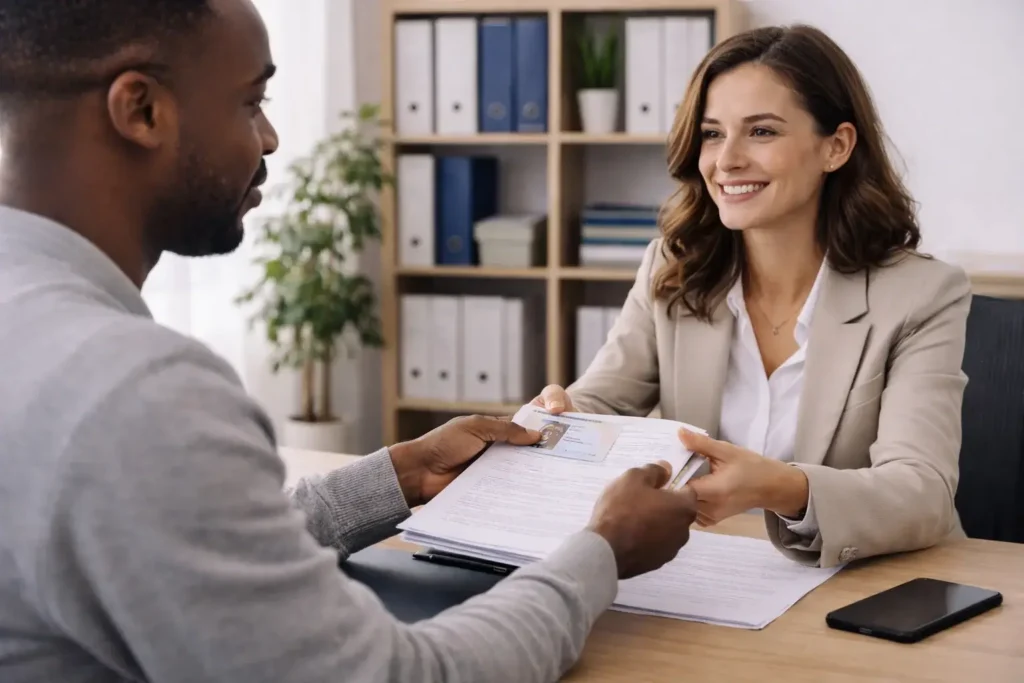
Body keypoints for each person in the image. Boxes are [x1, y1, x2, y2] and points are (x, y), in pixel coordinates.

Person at [0, 1, 700, 682]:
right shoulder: (134, 389)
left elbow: (184, 545)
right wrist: (602, 549)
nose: (270, 138)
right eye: (250, 103)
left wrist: (401, 472)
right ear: (142, 110)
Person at [536, 24, 972, 569]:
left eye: (761, 132)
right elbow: (604, 400)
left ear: (836, 146)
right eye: (713, 134)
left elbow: (922, 492)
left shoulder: (921, 294)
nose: (727, 161)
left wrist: (784, 488)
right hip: (710, 572)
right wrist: (563, 417)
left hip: (870, 581)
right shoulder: (673, 270)